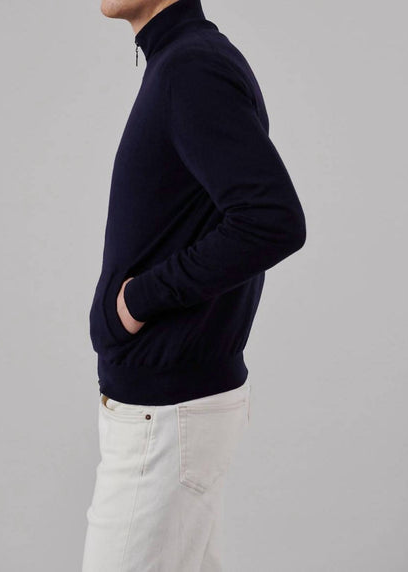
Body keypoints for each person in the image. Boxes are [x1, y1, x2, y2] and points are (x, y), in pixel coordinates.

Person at [82, 0, 307, 569]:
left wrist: (137, 300)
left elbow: (271, 220)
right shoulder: (180, 61)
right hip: (169, 409)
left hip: (165, 414)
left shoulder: (191, 67)